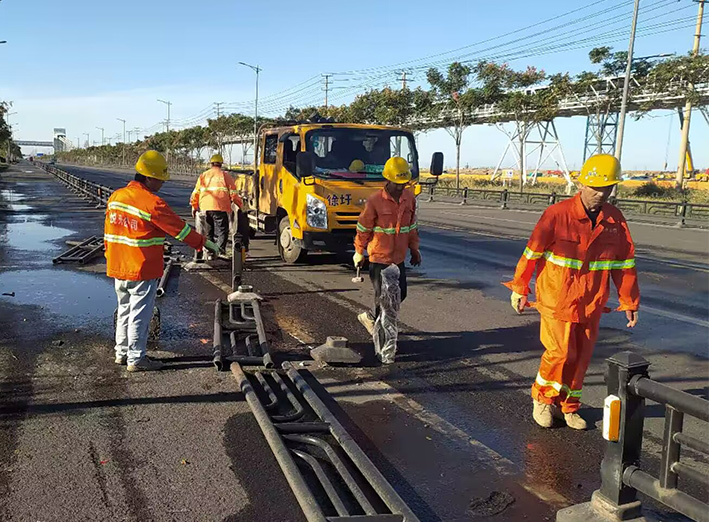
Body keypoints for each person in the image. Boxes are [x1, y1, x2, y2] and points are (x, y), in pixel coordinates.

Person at [504, 154, 640, 430]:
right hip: (557, 298)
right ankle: (542, 399)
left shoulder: (615, 220)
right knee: (560, 352)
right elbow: (531, 254)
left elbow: (624, 265)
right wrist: (520, 288)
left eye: (608, 188)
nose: (601, 194)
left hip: (591, 302)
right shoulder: (557, 215)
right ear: (582, 184)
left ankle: (569, 405)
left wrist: (629, 301)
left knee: (581, 357)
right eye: (596, 188)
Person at [105, 150, 219, 371]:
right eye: (159, 179)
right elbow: (180, 229)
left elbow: (109, 235)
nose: (162, 184)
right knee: (140, 314)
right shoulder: (152, 203)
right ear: (148, 177)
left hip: (118, 266)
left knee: (124, 309)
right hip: (141, 268)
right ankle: (136, 360)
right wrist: (204, 242)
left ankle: (121, 353)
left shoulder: (116, 197)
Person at [353, 156, 422, 341]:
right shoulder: (375, 201)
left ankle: (372, 319)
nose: (400, 187)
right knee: (383, 297)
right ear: (388, 180)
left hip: (398, 258)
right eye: (397, 183)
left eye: (403, 183)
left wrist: (414, 249)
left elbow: (411, 226)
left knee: (401, 293)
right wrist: (359, 251)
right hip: (378, 258)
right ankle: (381, 339)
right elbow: (363, 228)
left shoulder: (409, 198)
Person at [190, 153, 244, 258]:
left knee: (209, 230)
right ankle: (219, 251)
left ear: (211, 164)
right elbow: (233, 193)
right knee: (222, 230)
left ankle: (210, 251)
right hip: (220, 207)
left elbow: (195, 193)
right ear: (221, 164)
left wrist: (194, 206)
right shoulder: (225, 175)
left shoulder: (203, 176)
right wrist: (239, 205)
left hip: (205, 207)